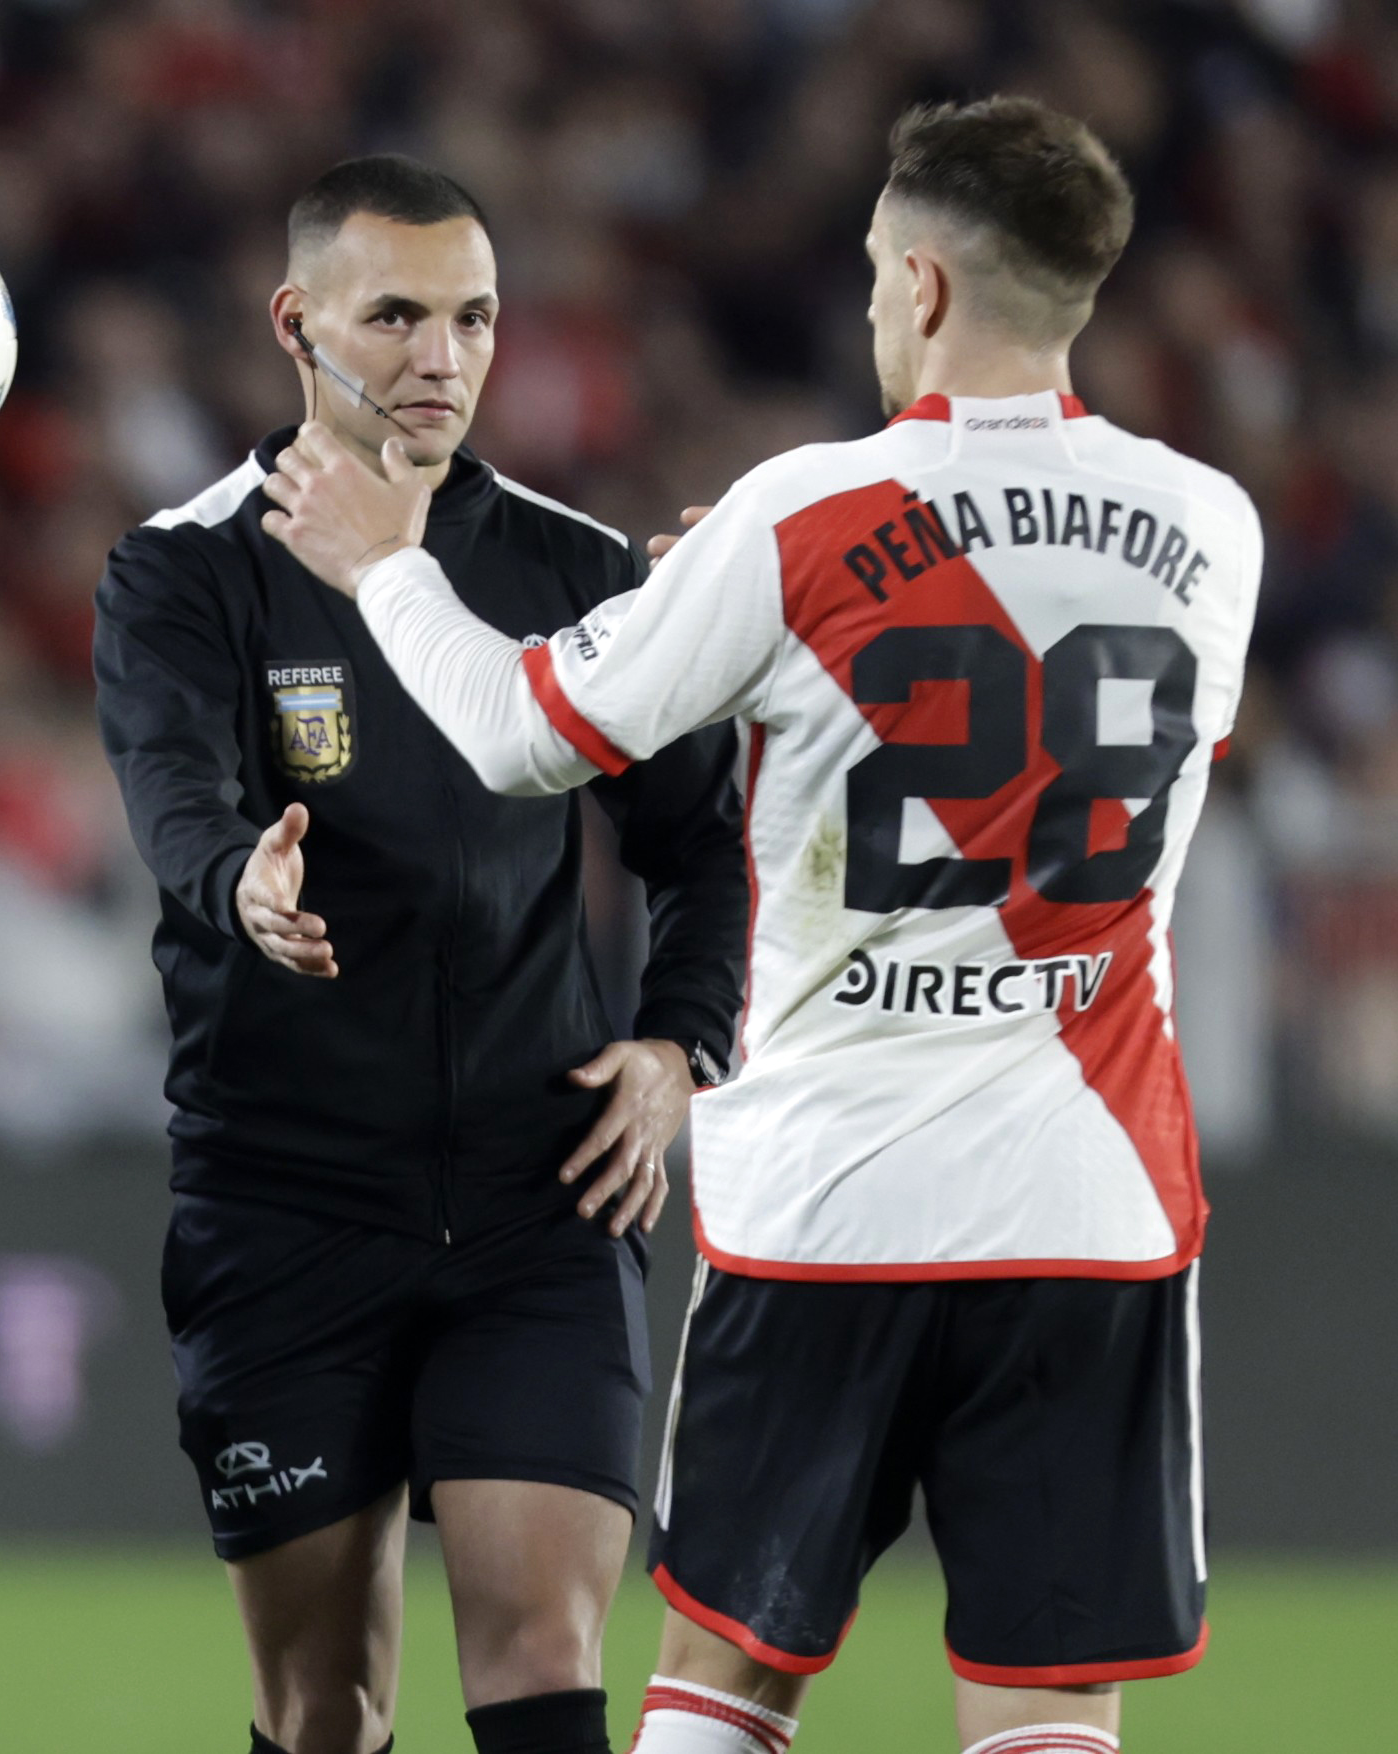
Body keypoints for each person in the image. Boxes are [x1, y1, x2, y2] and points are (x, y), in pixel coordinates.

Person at [260, 98, 1254, 1754]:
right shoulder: (1211, 525)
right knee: (1047, 1698)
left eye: (876, 272)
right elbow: (1034, 733)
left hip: (829, 1198)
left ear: (924, 287)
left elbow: (524, 735)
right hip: (1094, 1189)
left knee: (726, 1675)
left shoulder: (799, 516)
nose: (870, 305)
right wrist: (741, 612)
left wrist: (386, 571)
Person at [93, 155, 749, 1754]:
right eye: (391, 315)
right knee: (327, 1707)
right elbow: (172, 796)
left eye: (472, 316)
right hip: (286, 1201)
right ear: (294, 322)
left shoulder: (574, 574)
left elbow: (702, 850)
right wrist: (232, 882)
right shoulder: (183, 567)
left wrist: (673, 1048)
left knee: (540, 1655)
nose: (438, 356)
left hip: (543, 1193)